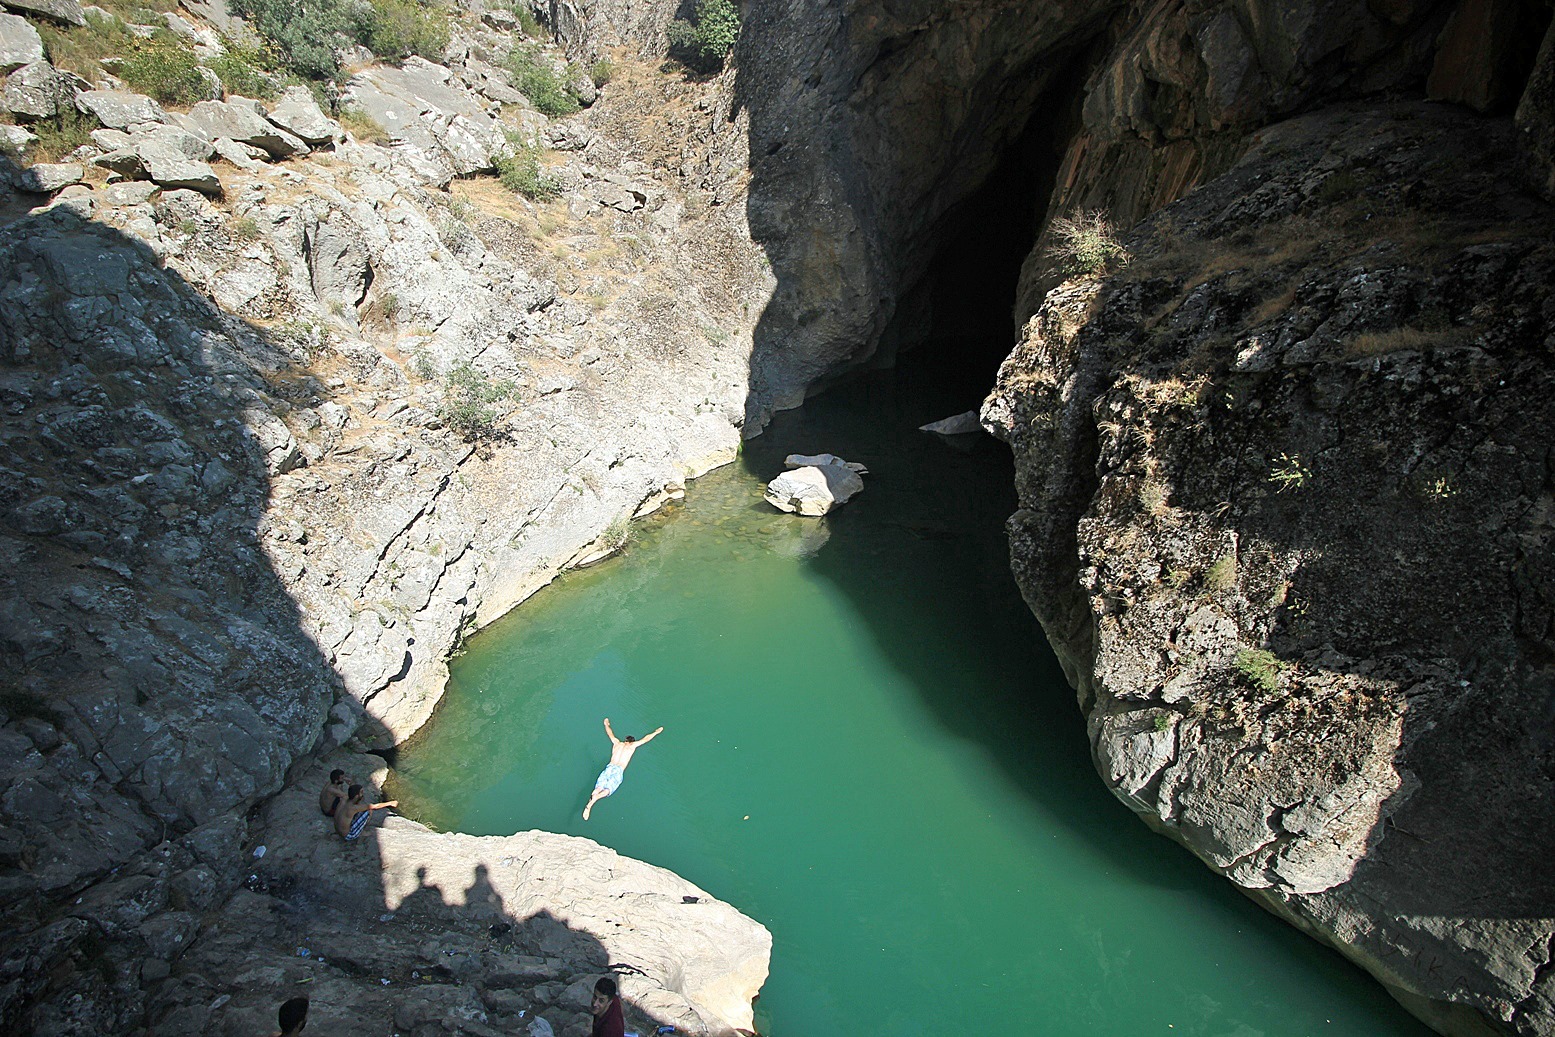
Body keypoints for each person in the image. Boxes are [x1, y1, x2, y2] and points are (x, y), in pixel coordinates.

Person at [582, 718, 663, 821]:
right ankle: (593, 801)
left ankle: (591, 801)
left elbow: (610, 734)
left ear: (625, 740)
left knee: (598, 788)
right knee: (607, 790)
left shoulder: (617, 743)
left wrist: (606, 724)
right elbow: (645, 739)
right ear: (632, 741)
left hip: (609, 767)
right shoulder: (633, 746)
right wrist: (656, 732)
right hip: (618, 770)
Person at [334, 784, 398, 841]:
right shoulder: (353, 808)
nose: (363, 794)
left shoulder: (344, 800)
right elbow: (374, 806)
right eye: (361, 792)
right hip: (348, 835)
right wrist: (390, 803)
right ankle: (361, 831)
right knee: (368, 811)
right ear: (356, 796)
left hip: (337, 829)